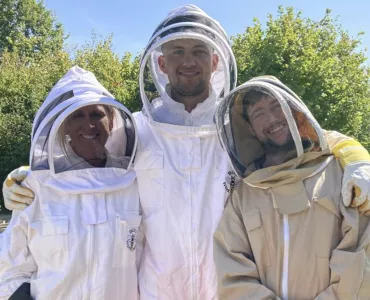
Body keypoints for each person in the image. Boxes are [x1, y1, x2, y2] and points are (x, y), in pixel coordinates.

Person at [2, 5, 370, 300]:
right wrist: (28, 177)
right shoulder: (136, 131)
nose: (188, 60)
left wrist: (356, 157)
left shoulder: (236, 130)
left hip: (227, 287)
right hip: (154, 289)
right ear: (161, 63)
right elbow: (83, 165)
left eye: (199, 50)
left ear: (215, 61)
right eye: (177, 51)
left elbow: (306, 137)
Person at [213, 76, 370, 299]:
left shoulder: (338, 174)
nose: (272, 119)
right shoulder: (243, 195)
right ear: (250, 128)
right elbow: (232, 272)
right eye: (258, 113)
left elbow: (361, 256)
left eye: (277, 106)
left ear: (293, 108)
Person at [0, 66, 142, 300]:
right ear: (63, 124)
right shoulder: (36, 187)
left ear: (112, 120)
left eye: (97, 114)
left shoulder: (133, 182)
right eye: (78, 115)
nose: (89, 125)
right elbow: (10, 266)